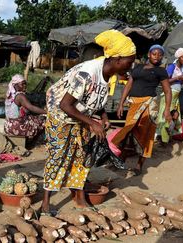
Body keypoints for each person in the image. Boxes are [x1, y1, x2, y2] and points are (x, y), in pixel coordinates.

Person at [40, 30, 136, 214]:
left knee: (82, 157)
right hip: (60, 114)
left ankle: (79, 198)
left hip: (81, 116)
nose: (131, 66)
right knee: (58, 156)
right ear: (116, 59)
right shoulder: (86, 73)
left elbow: (95, 98)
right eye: (129, 61)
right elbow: (65, 104)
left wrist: (103, 116)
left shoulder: (110, 74)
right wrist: (92, 123)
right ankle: (45, 203)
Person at [112, 44, 172, 176]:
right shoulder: (137, 68)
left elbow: (168, 91)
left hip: (149, 105)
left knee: (146, 134)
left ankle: (139, 165)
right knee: (129, 131)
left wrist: (167, 110)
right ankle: (121, 160)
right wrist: (121, 103)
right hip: (134, 104)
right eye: (154, 53)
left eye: (160, 54)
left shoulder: (161, 71)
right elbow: (128, 85)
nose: (157, 56)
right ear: (149, 54)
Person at [156, 47, 183, 139]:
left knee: (175, 115)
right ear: (178, 57)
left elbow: (180, 83)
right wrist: (178, 78)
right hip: (169, 93)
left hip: (176, 95)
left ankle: (166, 135)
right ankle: (160, 136)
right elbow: (165, 80)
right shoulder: (172, 66)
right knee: (165, 115)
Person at [4, 74, 47, 140]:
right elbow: (31, 107)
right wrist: (47, 112)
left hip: (8, 127)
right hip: (17, 128)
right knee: (43, 120)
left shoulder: (10, 95)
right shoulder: (20, 96)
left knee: (32, 117)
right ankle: (37, 140)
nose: (25, 86)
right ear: (15, 85)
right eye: (22, 84)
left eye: (25, 84)